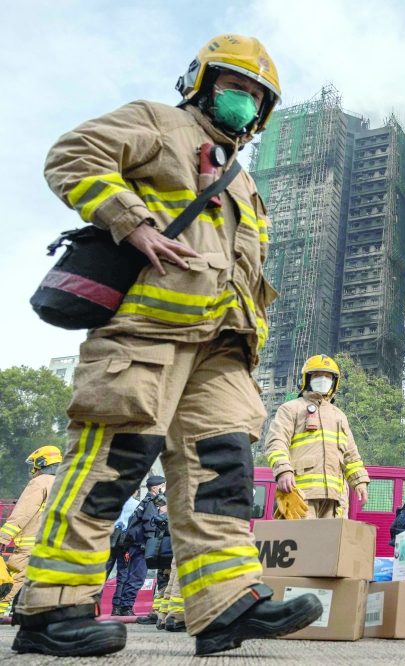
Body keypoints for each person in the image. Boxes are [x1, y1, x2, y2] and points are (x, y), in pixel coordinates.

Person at [11, 35, 323, 657]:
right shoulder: (160, 124)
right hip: (147, 334)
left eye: (257, 96)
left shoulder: (243, 181)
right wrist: (132, 220)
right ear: (202, 83)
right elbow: (72, 154)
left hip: (223, 349)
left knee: (224, 475)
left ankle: (226, 604)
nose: (246, 102)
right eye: (236, 87)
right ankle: (52, 608)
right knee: (111, 466)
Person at [263, 355, 369, 518]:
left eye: (327, 377)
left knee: (331, 543)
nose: (323, 380)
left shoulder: (339, 416)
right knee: (302, 542)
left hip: (335, 499)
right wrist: (283, 470)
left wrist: (359, 482)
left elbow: (351, 455)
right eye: (317, 375)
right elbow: (276, 442)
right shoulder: (291, 409)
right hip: (300, 495)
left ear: (334, 382)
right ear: (307, 379)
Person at [0, 447, 61, 617]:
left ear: (41, 463)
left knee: (13, 579)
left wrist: (3, 538)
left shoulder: (40, 482)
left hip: (33, 543)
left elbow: (23, 513)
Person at [111, 476, 164, 616]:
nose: (164, 489)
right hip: (142, 546)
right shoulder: (151, 503)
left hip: (135, 545)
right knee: (137, 577)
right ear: (154, 488)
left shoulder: (144, 502)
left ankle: (123, 606)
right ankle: (126, 607)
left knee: (130, 576)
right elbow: (150, 524)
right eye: (162, 486)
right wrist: (152, 544)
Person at [107, 489, 142, 581]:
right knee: (123, 570)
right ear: (135, 492)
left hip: (112, 535)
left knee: (105, 568)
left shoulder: (114, 503)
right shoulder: (137, 504)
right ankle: (119, 595)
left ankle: (96, 594)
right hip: (125, 537)